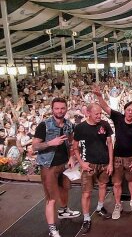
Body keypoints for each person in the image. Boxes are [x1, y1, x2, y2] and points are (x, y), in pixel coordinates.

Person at [93, 85, 132, 219]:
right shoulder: (118, 117)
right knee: (116, 183)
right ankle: (118, 204)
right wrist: (99, 96)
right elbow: (105, 107)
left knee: (131, 180)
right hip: (117, 158)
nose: (130, 112)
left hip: (131, 158)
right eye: (128, 110)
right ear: (124, 110)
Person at [32, 97, 80, 237]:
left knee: (64, 189)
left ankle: (64, 211)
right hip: (49, 166)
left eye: (62, 108)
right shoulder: (44, 125)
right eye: (57, 108)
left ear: (66, 109)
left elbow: (71, 143)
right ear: (52, 109)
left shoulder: (68, 125)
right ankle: (52, 229)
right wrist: (50, 143)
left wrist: (71, 157)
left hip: (64, 165)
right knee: (51, 198)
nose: (60, 111)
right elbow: (35, 146)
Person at [73, 103, 114, 235]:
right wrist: (81, 163)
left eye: (100, 114)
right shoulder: (80, 128)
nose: (99, 116)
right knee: (86, 193)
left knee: (103, 185)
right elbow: (75, 147)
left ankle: (100, 207)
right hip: (88, 164)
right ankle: (86, 218)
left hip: (104, 162)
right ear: (88, 113)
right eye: (96, 114)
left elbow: (109, 144)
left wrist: (111, 163)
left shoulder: (105, 124)